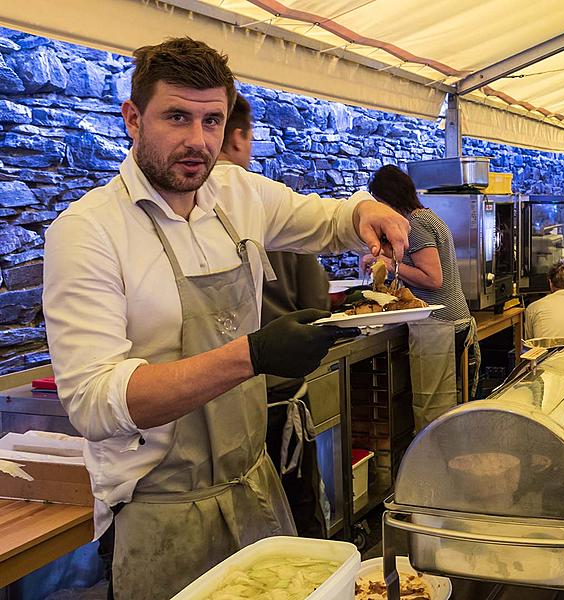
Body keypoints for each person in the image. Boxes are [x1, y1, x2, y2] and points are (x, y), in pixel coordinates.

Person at [42, 38, 408, 600]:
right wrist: (253, 354)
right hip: (160, 512)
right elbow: (94, 401)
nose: (198, 140)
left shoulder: (234, 193)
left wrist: (367, 210)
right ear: (133, 119)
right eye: (177, 117)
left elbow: (327, 218)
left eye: (212, 120)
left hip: (254, 487)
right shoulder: (88, 232)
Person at [218, 92, 331, 536]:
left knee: (246, 536)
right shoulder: (270, 211)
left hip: (219, 410)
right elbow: (317, 300)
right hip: (279, 398)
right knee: (299, 520)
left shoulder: (188, 214)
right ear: (242, 137)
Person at [364, 164, 477, 431]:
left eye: (379, 202)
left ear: (388, 198)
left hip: (439, 323)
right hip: (453, 321)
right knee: (449, 407)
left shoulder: (415, 224)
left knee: (433, 412)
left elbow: (433, 278)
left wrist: (391, 265)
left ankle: (433, 465)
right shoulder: (427, 217)